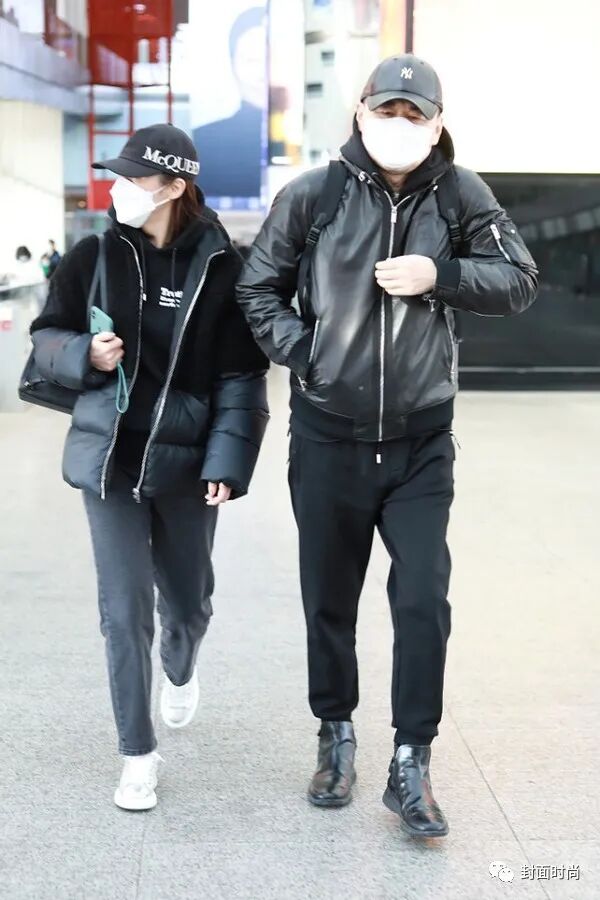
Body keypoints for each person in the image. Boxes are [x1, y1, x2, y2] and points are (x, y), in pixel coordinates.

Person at [237, 55, 538, 837]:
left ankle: (412, 761)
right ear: (361, 114)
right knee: (329, 601)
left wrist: (440, 273)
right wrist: (308, 354)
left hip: (420, 441)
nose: (399, 126)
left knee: (422, 599)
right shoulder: (315, 194)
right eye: (387, 111)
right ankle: (335, 735)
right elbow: (256, 287)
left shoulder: (461, 194)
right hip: (328, 437)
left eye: (414, 115)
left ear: (436, 127)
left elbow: (517, 279)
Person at [30, 123, 269, 811]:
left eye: (134, 178)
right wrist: (85, 354)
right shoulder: (94, 255)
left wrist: (228, 462)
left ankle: (181, 664)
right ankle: (137, 754)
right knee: (124, 609)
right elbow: (46, 336)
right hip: (109, 458)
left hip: (188, 463)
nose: (119, 189)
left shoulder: (224, 267)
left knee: (188, 601)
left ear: (173, 186)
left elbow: (241, 376)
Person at [192, 7, 266, 199]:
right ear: (233, 64)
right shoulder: (201, 144)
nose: (262, 73)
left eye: (271, 59)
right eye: (251, 60)